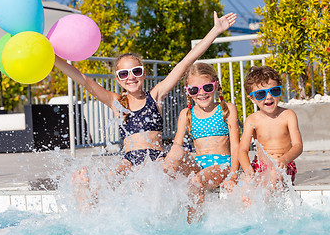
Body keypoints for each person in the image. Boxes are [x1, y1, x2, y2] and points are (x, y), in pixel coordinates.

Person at [55, 12, 237, 210]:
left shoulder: (155, 96)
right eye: (123, 74)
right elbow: (85, 81)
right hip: (129, 160)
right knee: (108, 181)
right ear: (117, 79)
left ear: (144, 73)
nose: (130, 78)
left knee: (156, 178)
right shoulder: (117, 102)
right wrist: (53, 59)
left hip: (156, 159)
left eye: (136, 71)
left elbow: (185, 63)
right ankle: (86, 202)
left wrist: (215, 31)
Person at [163, 62, 240, 224]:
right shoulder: (186, 114)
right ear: (188, 92)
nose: (201, 93)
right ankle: (158, 200)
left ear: (216, 85)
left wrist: (233, 175)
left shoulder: (227, 109)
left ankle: (193, 228)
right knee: (175, 152)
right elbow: (176, 148)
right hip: (198, 165)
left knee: (196, 181)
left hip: (222, 165)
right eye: (194, 90)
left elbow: (236, 146)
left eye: (207, 88)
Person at [238, 66, 303, 188]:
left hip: (284, 165)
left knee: (273, 174)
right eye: (260, 94)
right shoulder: (252, 120)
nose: (268, 97)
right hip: (260, 165)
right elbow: (242, 150)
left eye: (274, 91)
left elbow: (298, 146)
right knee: (244, 183)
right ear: (252, 98)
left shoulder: (288, 115)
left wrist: (284, 159)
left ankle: (266, 206)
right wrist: (248, 171)